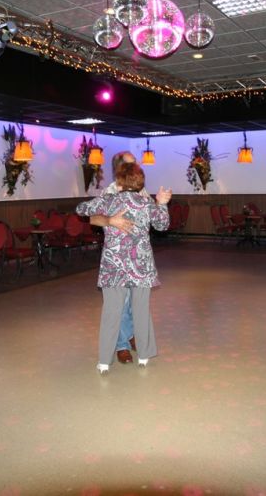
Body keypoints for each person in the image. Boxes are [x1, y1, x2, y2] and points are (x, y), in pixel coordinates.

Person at [76, 162, 171, 373]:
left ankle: (104, 361)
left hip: (114, 267)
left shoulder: (109, 200)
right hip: (141, 266)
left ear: (119, 181)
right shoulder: (147, 203)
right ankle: (144, 356)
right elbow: (163, 225)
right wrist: (162, 203)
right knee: (141, 311)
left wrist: (108, 219)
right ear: (140, 182)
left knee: (111, 313)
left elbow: (81, 209)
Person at [87, 151, 141, 364]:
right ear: (119, 168)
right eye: (131, 164)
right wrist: (110, 221)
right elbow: (93, 219)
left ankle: (129, 334)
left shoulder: (139, 190)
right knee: (120, 303)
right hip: (117, 257)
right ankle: (121, 346)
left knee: (132, 302)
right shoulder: (109, 192)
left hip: (136, 256)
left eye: (135, 163)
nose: (136, 167)